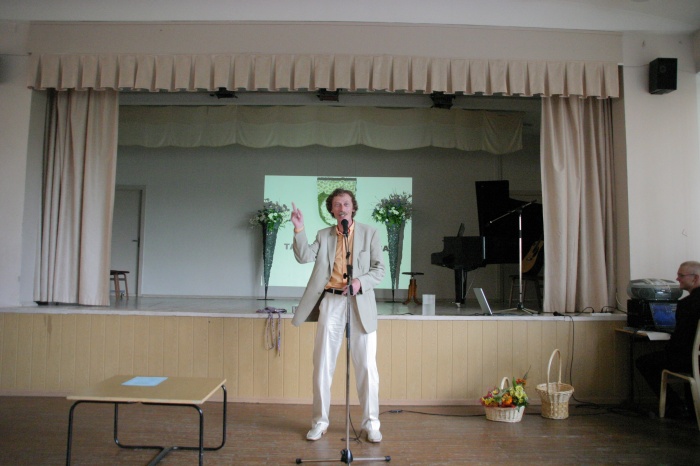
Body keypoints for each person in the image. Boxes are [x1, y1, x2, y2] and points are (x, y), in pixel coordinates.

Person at [290, 188, 385, 442]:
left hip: (360, 302)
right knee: (322, 364)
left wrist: (360, 282)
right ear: (331, 210)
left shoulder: (369, 233)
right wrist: (299, 229)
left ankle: (371, 424)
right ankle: (319, 422)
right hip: (331, 302)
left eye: (346, 204)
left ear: (353, 207)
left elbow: (379, 270)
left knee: (367, 366)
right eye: (337, 205)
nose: (342, 208)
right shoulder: (324, 235)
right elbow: (304, 256)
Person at [635, 261, 700, 417]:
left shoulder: (686, 304)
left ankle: (675, 405)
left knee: (644, 362)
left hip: (689, 359)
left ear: (695, 278)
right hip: (698, 358)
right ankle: (690, 408)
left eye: (681, 275)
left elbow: (681, 341)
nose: (677, 279)